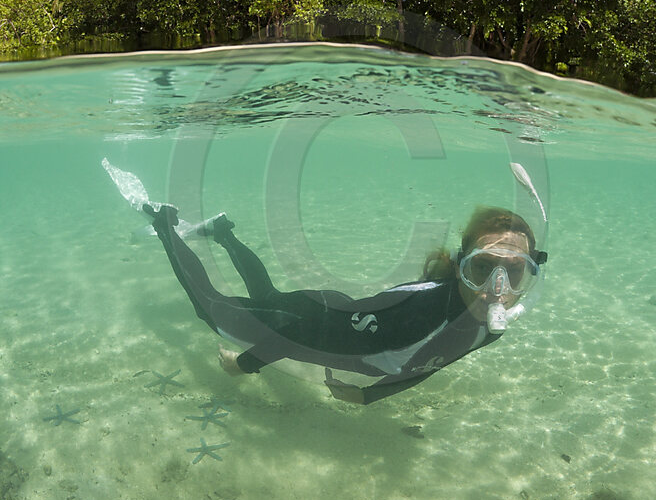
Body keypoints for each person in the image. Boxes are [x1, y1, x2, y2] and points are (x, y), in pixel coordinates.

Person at [103, 161, 547, 405]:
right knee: (209, 307)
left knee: (269, 296)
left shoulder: (493, 326)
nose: (497, 288)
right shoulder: (416, 314)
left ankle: (222, 232)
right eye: (482, 267)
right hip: (314, 322)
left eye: (515, 272)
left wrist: (370, 398)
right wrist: (244, 365)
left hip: (337, 316)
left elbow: (431, 365)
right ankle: (163, 221)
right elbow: (297, 338)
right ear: (458, 266)